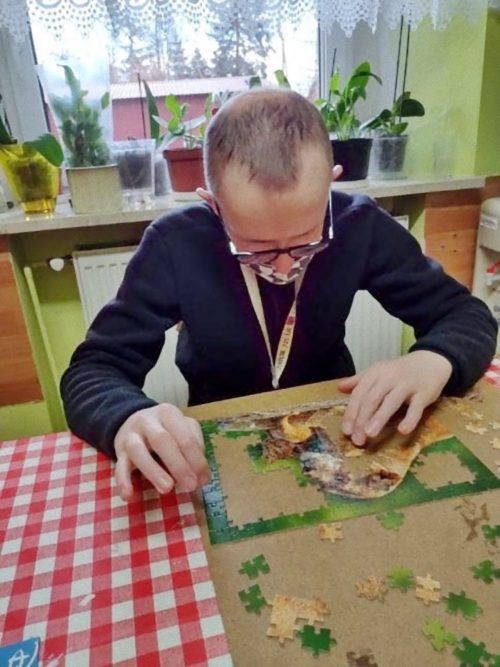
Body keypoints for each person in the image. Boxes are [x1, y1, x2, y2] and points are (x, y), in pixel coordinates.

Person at [61, 88, 498, 501]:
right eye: (257, 247)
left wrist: (433, 359)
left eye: (307, 240)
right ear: (213, 205)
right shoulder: (175, 243)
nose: (285, 267)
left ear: (330, 184)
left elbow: (465, 314)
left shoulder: (359, 224)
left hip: (336, 428)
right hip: (224, 436)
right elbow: (93, 369)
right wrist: (126, 416)